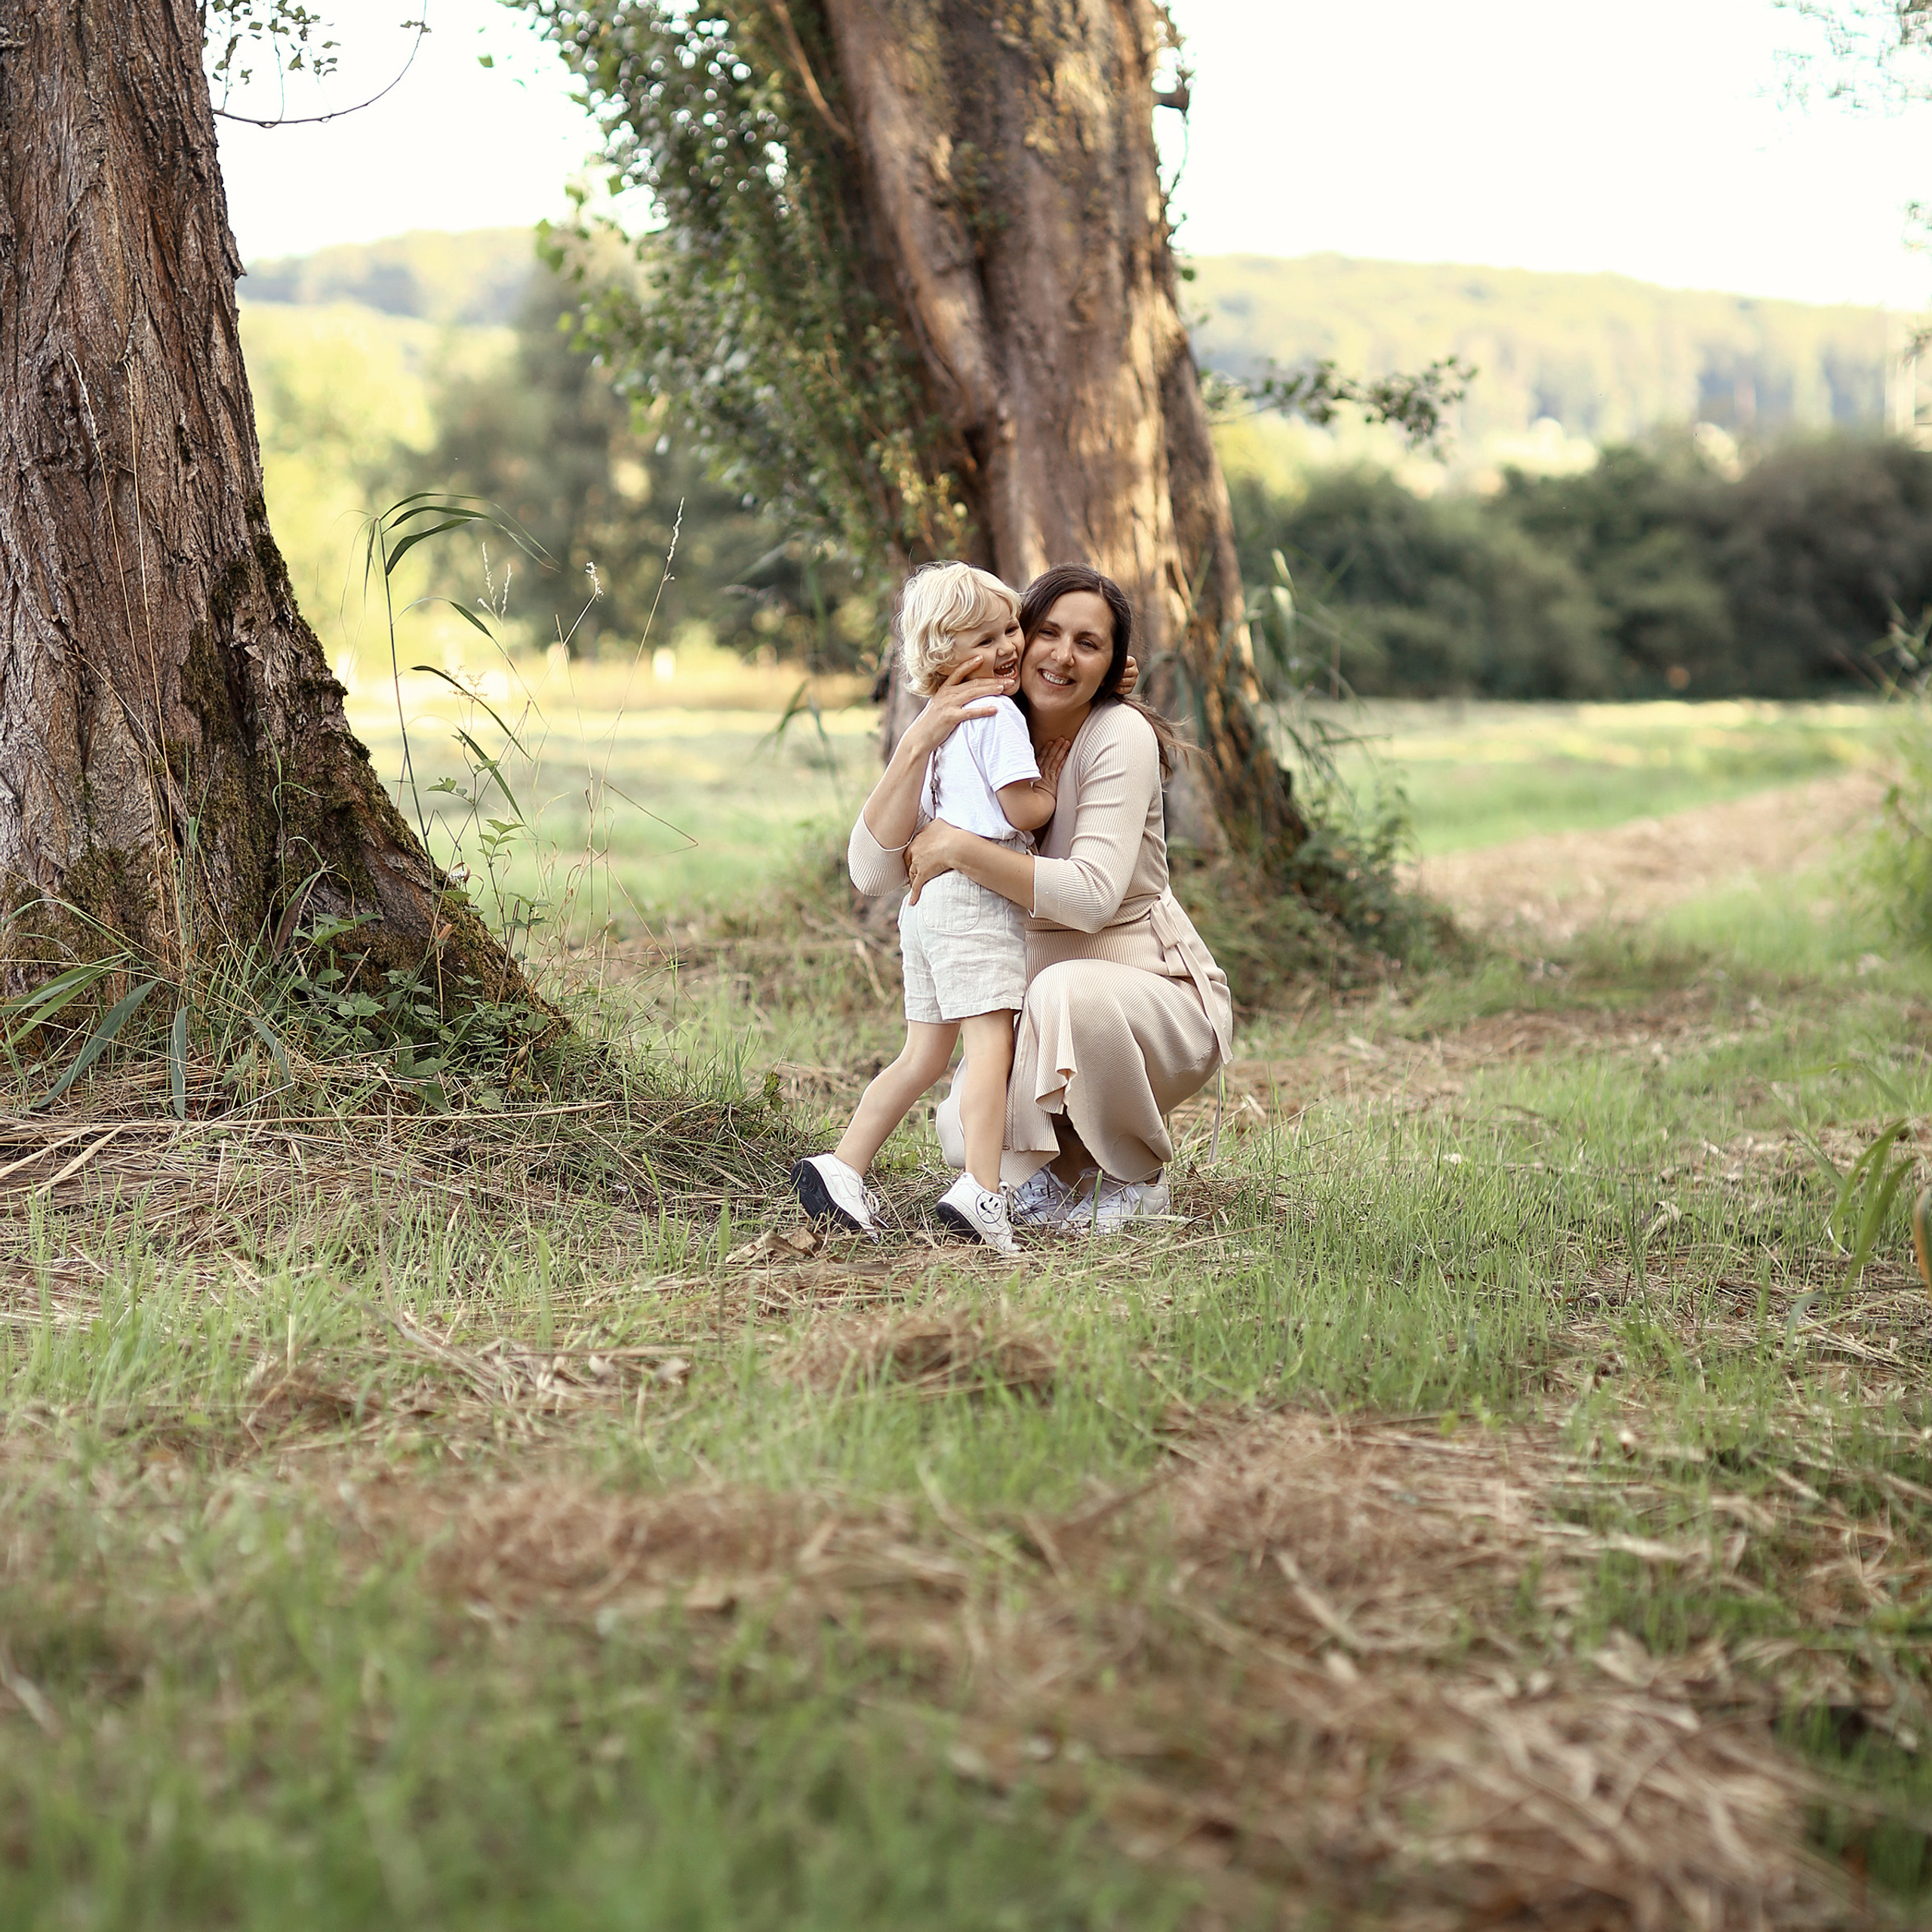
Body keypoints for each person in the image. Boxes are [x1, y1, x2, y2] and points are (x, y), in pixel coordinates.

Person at [855, 563, 1234, 1233]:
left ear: (1115, 663)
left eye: (1088, 644)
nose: (1061, 655)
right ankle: (1059, 1180)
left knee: (1064, 993)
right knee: (961, 1121)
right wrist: (921, 734)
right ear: (1017, 640)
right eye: (1048, 633)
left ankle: (1132, 1178)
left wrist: (958, 848)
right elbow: (872, 872)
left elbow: (1089, 898)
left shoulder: (1118, 734)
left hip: (1152, 997)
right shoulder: (985, 728)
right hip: (1037, 1002)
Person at [789, 561, 1060, 1255]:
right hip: (974, 900)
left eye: (1009, 631)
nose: (1006, 648)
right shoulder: (997, 713)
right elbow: (1018, 804)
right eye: (984, 639)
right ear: (943, 654)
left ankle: (843, 1166)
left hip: (925, 905)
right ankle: (982, 1190)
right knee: (990, 1048)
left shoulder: (941, 723)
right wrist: (1053, 794)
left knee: (920, 1054)